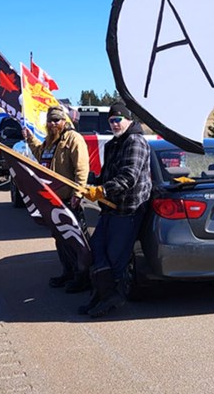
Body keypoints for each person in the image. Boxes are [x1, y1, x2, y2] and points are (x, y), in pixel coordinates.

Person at [77, 101, 152, 318]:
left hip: (128, 210)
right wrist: (92, 185)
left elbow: (128, 177)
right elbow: (107, 175)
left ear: (129, 120)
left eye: (118, 120)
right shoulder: (112, 144)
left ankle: (111, 296)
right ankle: (102, 293)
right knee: (96, 248)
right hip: (109, 209)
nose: (114, 124)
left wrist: (101, 190)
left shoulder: (135, 142)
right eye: (111, 121)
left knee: (115, 258)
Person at [22, 105, 92, 293]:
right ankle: (68, 272)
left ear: (64, 121)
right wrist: (30, 139)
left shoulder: (73, 139)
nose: (53, 124)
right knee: (60, 239)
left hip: (71, 201)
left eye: (57, 120)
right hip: (54, 201)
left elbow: (82, 169)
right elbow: (40, 155)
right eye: (50, 121)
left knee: (74, 240)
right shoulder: (50, 141)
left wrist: (78, 194)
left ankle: (83, 277)